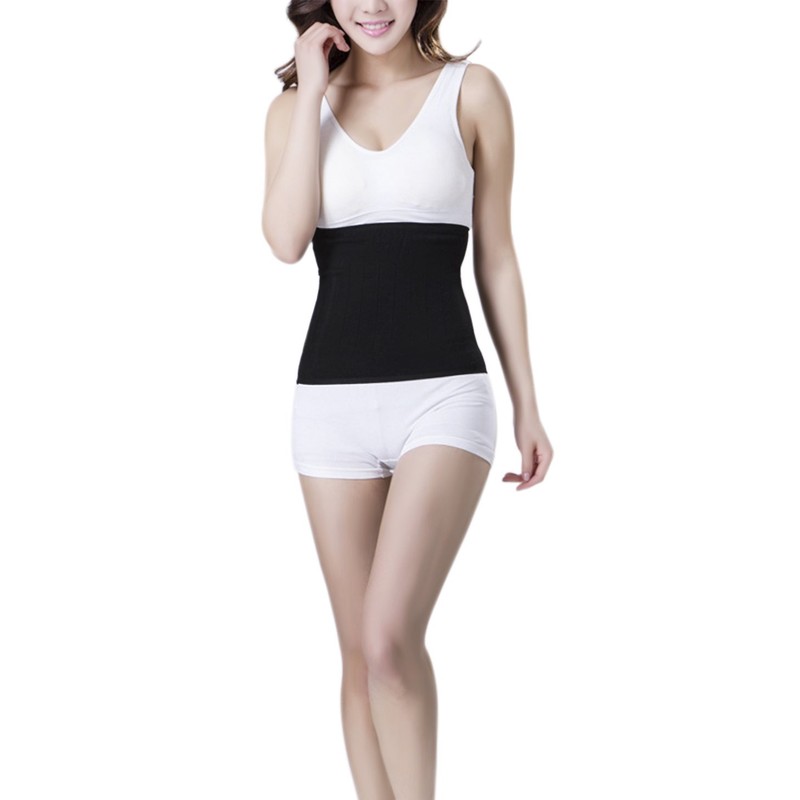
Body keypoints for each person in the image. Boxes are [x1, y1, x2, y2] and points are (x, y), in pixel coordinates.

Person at [262, 1, 553, 796]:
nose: (373, 5)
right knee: (359, 654)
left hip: (444, 397)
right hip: (330, 407)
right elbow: (286, 241)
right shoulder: (293, 110)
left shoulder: (473, 92)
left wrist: (527, 402)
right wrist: (312, 90)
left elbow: (497, 256)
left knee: (389, 639)